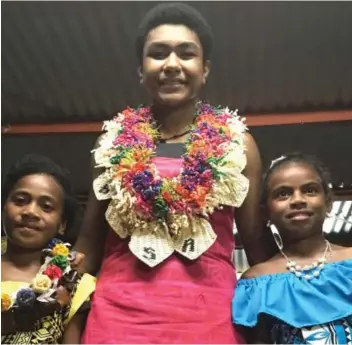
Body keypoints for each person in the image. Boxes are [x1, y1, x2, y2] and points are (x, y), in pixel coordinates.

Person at [75, 2, 272, 344]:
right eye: (158, 53)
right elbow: (89, 242)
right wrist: (44, 283)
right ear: (141, 69)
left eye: (186, 53)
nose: (171, 65)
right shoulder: (110, 142)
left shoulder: (239, 144)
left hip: (211, 322)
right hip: (117, 323)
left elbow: (255, 243)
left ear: (205, 68)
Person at [232, 152, 352, 344]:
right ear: (265, 212)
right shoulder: (256, 283)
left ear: (328, 203)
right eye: (283, 193)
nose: (298, 200)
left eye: (310, 190)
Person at [1, 154, 96, 344]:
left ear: (62, 224)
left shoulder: (73, 285)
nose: (30, 212)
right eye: (20, 201)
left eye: (46, 207)